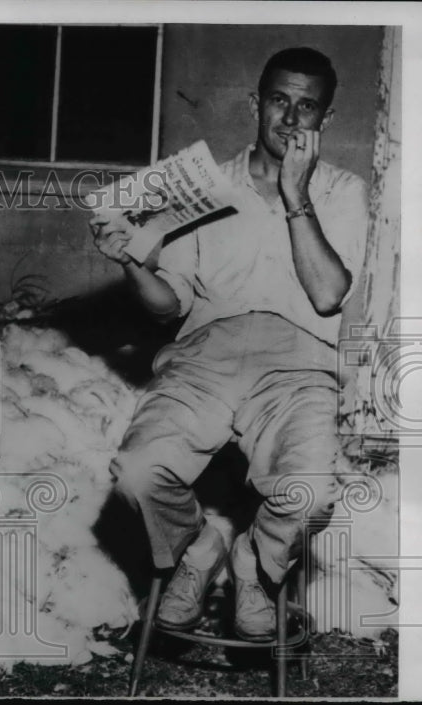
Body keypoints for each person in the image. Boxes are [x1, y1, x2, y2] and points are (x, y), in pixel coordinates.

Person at [90, 47, 368, 641]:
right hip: (204, 358)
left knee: (309, 494)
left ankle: (256, 565)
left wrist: (298, 195)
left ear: (328, 119)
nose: (291, 119)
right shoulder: (203, 187)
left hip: (298, 368)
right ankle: (197, 548)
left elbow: (327, 296)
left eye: (307, 106)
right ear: (255, 104)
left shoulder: (345, 191)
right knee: (139, 471)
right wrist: (132, 264)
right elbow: (170, 306)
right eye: (278, 101)